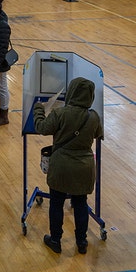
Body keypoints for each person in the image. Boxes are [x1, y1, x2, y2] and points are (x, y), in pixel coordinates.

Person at [33, 77, 103, 255]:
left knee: (56, 203)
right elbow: (98, 134)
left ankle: (55, 240)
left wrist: (38, 110)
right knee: (81, 203)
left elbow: (41, 127)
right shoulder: (93, 116)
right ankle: (82, 242)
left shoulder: (60, 114)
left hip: (62, 166)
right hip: (85, 167)